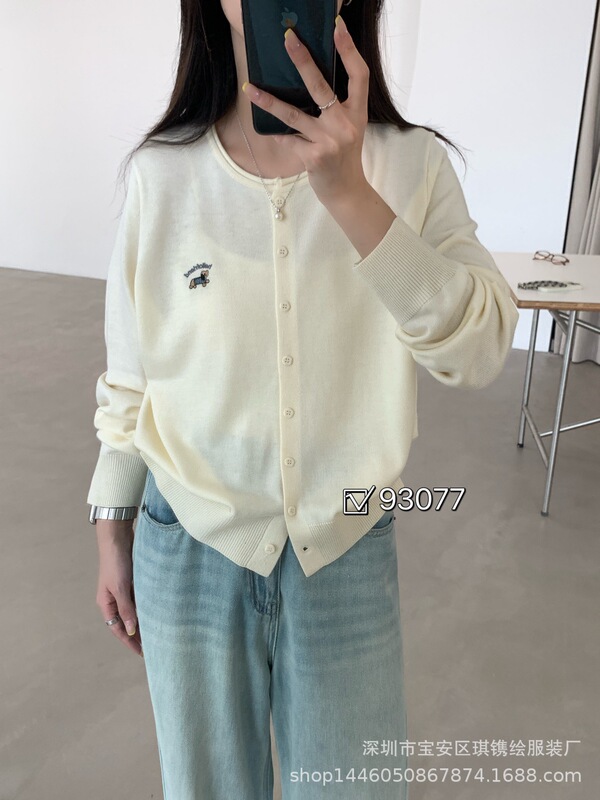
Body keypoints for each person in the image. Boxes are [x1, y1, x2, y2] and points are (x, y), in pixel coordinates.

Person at [87, 0, 520, 797]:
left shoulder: (412, 166)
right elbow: (133, 372)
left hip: (345, 546)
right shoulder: (162, 173)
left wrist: (351, 195)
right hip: (188, 543)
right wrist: (112, 523)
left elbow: (481, 348)